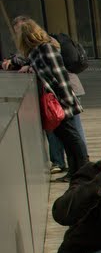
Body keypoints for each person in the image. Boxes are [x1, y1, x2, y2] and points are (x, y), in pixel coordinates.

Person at [9, 16, 88, 182]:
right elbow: (42, 68)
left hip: (61, 100)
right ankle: (74, 172)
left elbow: (60, 75)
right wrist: (29, 66)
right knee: (66, 138)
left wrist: (67, 101)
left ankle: (84, 170)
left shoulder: (46, 48)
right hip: (55, 101)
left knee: (72, 137)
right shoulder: (36, 51)